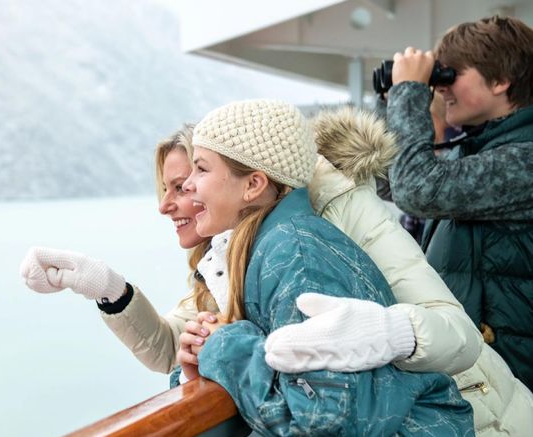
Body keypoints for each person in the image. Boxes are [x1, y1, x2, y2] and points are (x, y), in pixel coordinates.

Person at [177, 99, 473, 435]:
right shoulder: (271, 246)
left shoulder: (295, 253)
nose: (188, 185)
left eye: (201, 168)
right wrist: (199, 362)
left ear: (253, 185)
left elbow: (321, 420)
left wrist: (223, 346)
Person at [257, 107, 533, 435]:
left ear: (254, 181)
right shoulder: (230, 250)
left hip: (482, 402)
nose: (184, 191)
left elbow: (415, 186)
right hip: (458, 386)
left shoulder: (342, 204)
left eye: (199, 172)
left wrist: (407, 94)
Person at [385, 15, 533, 390]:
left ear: (501, 81)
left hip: (514, 377)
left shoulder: (525, 160)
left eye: (448, 75)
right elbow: (387, 179)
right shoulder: (475, 150)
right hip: (481, 370)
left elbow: (416, 189)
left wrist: (410, 94)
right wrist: (394, 98)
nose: (440, 89)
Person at [19, 125, 215, 374]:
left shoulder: (249, 265)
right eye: (165, 189)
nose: (163, 206)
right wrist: (111, 290)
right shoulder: (214, 266)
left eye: (180, 188)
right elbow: (170, 348)